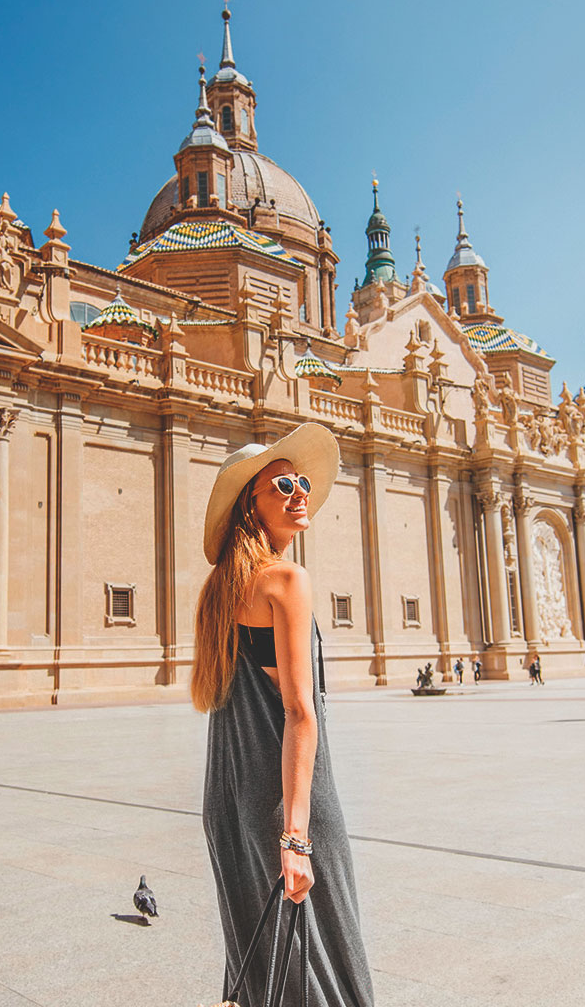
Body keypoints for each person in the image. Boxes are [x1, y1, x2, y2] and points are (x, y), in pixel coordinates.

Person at [193, 423, 374, 1006]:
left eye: (303, 484)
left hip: (227, 800)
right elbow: (299, 712)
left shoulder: (218, 589)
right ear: (251, 505)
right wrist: (296, 837)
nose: (301, 494)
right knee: (326, 957)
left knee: (264, 962)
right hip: (287, 797)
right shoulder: (286, 581)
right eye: (284, 485)